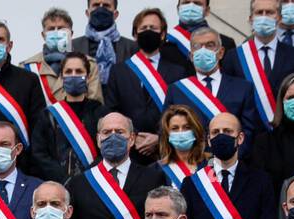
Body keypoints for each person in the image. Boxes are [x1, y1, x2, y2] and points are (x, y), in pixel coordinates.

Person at [65, 112, 162, 219]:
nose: (113, 136)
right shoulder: (79, 183)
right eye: (107, 132)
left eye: (119, 132)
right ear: (98, 139)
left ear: (131, 139)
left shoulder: (153, 178)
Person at [184, 112, 277, 219]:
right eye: (216, 132)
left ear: (240, 138)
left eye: (227, 131)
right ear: (209, 140)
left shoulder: (261, 181)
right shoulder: (192, 184)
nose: (221, 136)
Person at [104, 9, 190, 140]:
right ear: (135, 34)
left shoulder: (178, 72)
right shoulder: (118, 71)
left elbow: (182, 112)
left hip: (165, 146)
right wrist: (135, 137)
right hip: (130, 145)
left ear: (162, 35)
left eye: (153, 28)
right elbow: (112, 110)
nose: (148, 31)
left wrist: (159, 138)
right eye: (143, 28)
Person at [164, 27, 262, 141]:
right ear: (191, 56)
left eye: (210, 45)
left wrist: (233, 157)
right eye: (197, 46)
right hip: (191, 157)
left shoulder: (243, 88)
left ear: (220, 52)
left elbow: (249, 131)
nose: (203, 50)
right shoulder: (176, 90)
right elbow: (167, 129)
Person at [33, 53, 107, 184]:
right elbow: (39, 153)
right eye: (68, 71)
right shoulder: (48, 114)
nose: (73, 75)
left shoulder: (100, 112)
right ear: (61, 77)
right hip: (57, 185)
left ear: (88, 77)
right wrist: (63, 178)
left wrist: (86, 177)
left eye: (79, 71)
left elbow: (105, 149)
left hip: (93, 183)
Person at [0, 20, 49, 138]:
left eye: (0, 39)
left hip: (20, 154)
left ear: (9, 46)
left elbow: (39, 128)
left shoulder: (29, 80)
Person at [222, 0, 294, 96]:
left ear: (279, 18)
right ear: (251, 19)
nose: (264, 17)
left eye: (269, 12)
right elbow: (229, 93)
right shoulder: (234, 56)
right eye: (259, 12)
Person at [19, 9, 102, 103]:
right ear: (43, 35)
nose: (56, 33)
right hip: (41, 117)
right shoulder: (28, 67)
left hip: (77, 117)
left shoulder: (89, 64)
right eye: (51, 29)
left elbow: (95, 104)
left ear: (71, 34)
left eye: (61, 28)